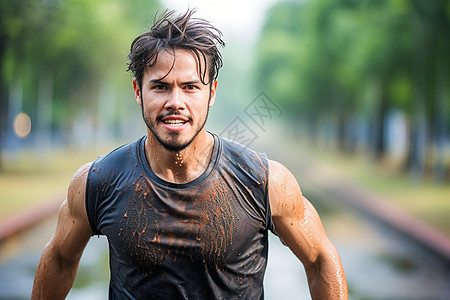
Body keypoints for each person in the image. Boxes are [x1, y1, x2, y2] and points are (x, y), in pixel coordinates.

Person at [32, 9, 348, 299]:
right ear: (138, 91)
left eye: (190, 87)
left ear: (211, 92)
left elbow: (320, 258)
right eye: (160, 87)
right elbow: (59, 259)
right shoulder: (98, 181)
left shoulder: (264, 180)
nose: (175, 101)